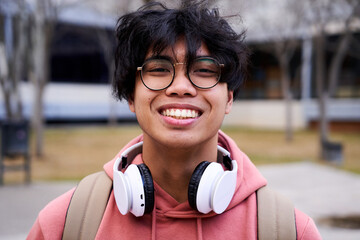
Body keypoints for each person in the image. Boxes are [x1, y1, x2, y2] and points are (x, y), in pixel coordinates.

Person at [28, 1, 322, 239]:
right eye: (158, 68)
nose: (181, 86)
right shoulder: (66, 223)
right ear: (130, 96)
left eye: (204, 70)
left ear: (229, 98)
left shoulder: (285, 229)